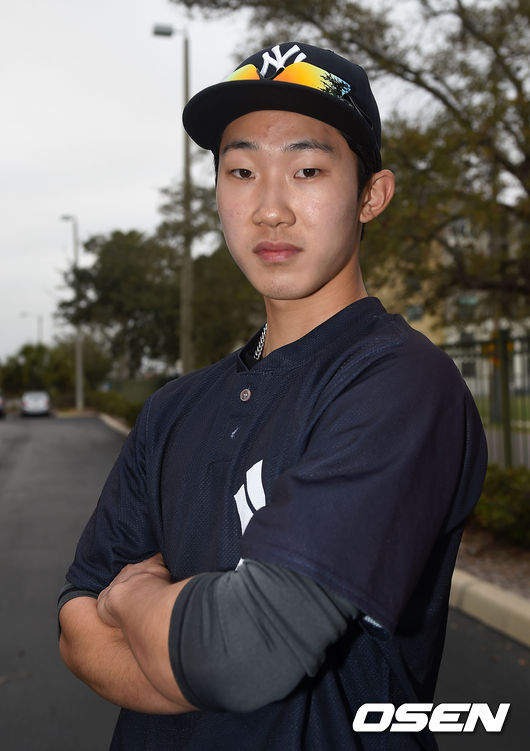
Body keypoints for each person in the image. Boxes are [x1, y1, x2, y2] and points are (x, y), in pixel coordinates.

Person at [58, 41, 487, 750]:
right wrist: (191, 654)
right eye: (242, 172)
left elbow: (245, 652)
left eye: (307, 169)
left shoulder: (402, 382)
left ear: (371, 195)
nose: (270, 209)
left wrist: (133, 598)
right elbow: (76, 626)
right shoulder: (172, 409)